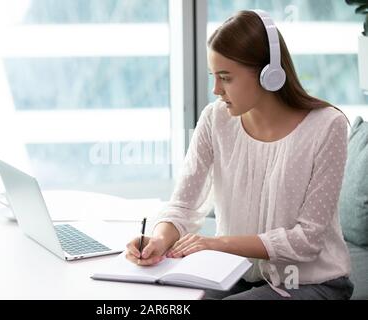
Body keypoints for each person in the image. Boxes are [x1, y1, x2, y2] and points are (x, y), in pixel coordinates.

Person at [125, 10, 354, 300]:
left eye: (225, 78)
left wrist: (218, 244)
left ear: (269, 74)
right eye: (213, 76)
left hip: (310, 283)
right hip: (236, 273)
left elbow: (306, 239)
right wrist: (159, 240)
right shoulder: (215, 119)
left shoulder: (326, 126)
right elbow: (183, 205)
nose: (216, 90)